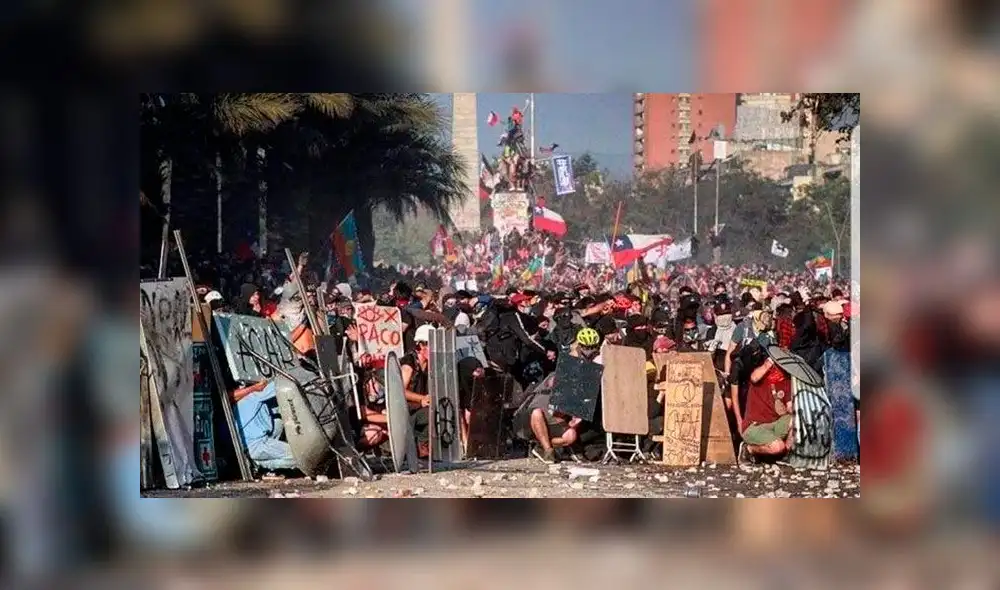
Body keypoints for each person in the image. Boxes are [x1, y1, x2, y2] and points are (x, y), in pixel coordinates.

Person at [400, 324, 433, 458]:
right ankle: (422, 446)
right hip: (408, 410)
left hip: (420, 406)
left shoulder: (431, 363)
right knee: (429, 413)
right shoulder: (409, 364)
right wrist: (421, 399)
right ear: (421, 345)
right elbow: (401, 391)